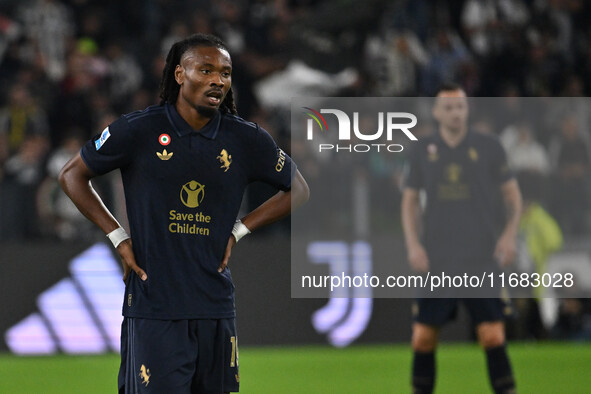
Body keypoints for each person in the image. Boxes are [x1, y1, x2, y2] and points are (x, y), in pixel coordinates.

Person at [59, 33, 309, 394]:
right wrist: (118, 236)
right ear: (179, 74)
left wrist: (239, 230)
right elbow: (72, 175)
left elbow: (298, 189)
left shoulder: (245, 138)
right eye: (205, 70)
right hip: (154, 308)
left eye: (225, 72)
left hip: (215, 306)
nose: (217, 80)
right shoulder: (138, 129)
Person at [401, 83, 522, 394]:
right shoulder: (422, 149)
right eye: (449, 108)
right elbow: (410, 201)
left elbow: (513, 197)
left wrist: (509, 236)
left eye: (461, 107)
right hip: (438, 257)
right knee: (423, 337)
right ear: (437, 112)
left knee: (492, 335)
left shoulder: (490, 146)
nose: (456, 113)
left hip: (480, 256)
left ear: (468, 110)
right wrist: (413, 245)